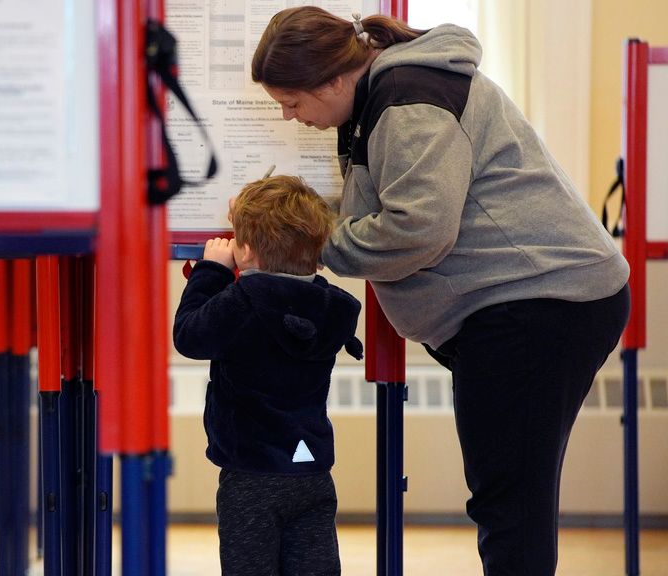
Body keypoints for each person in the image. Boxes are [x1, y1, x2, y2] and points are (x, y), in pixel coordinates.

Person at [251, 7, 631, 576]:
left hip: (537, 303)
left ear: (332, 80)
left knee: (510, 503)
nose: (289, 115)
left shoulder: (407, 102)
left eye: (293, 101)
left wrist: (306, 248)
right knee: (509, 494)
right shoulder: (387, 94)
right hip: (529, 301)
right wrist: (286, 227)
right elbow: (381, 212)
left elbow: (417, 229)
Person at [173, 174, 363, 576]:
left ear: (245, 251)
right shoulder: (331, 307)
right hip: (312, 472)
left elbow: (190, 337)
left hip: (250, 475)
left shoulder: (242, 302)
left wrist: (212, 271)